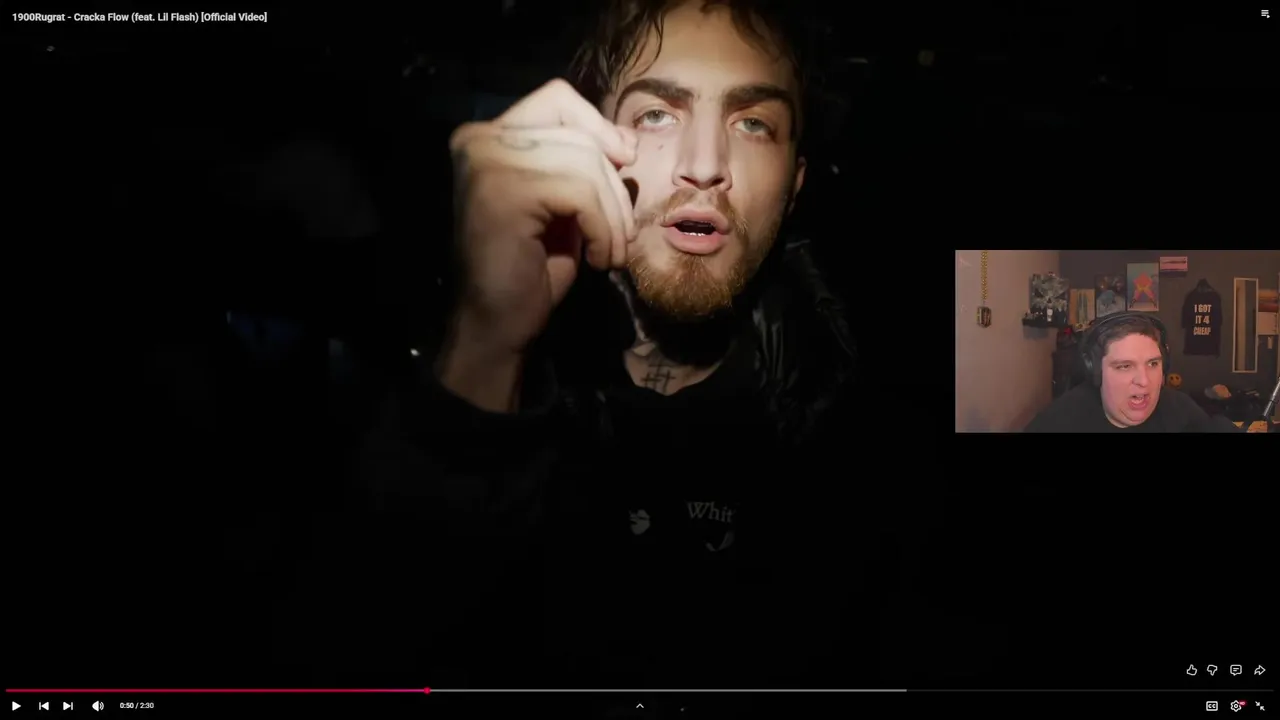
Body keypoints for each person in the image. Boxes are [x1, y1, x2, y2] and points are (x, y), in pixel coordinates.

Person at [286, 0, 881, 691]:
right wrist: (486, 346)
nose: (704, 166)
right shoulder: (456, 355)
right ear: (588, 143)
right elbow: (352, 651)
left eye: (753, 123)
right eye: (656, 114)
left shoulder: (868, 428)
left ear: (794, 185)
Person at [1024, 312, 1241, 432]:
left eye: (1153, 364)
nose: (1144, 381)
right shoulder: (1058, 422)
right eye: (1124, 366)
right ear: (1096, 371)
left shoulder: (1179, 407)